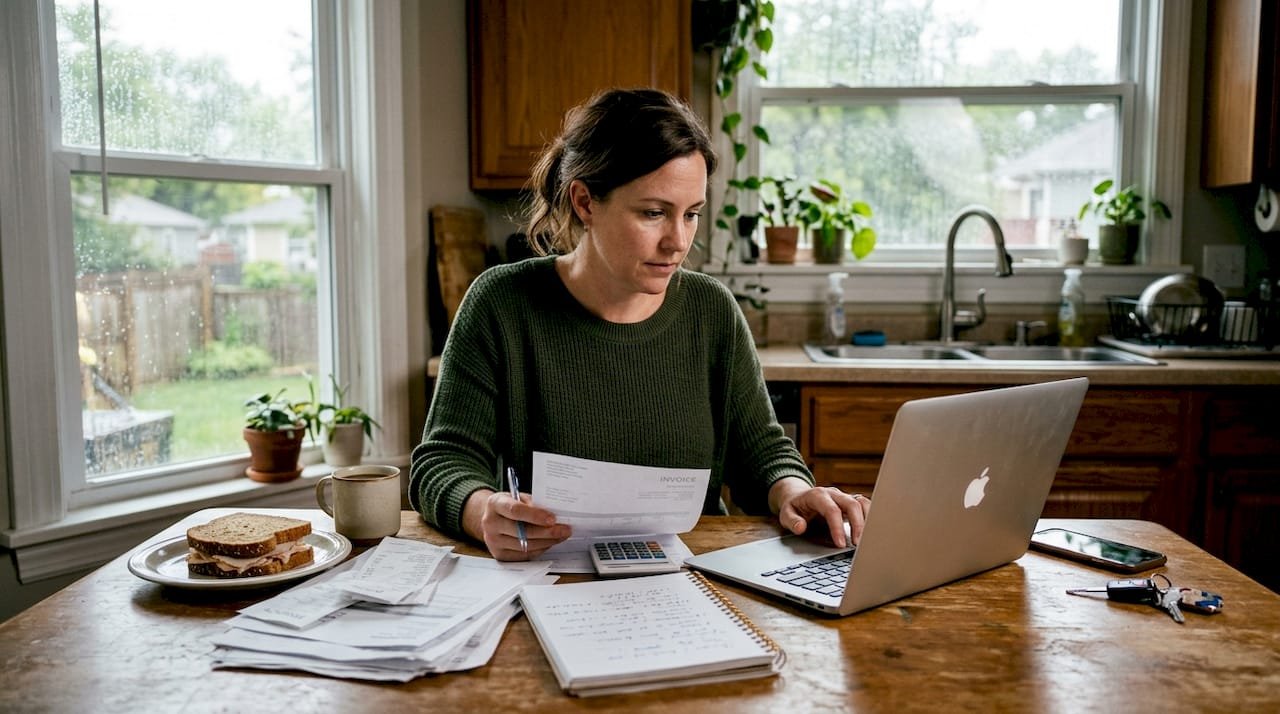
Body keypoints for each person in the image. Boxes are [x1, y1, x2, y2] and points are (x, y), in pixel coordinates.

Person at [409, 88, 869, 561]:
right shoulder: (502, 304)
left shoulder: (712, 311)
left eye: (691, 215)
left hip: (696, 580)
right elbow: (443, 462)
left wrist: (793, 491)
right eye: (654, 213)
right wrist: (481, 509)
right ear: (585, 202)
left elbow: (763, 455)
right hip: (551, 577)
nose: (678, 241)